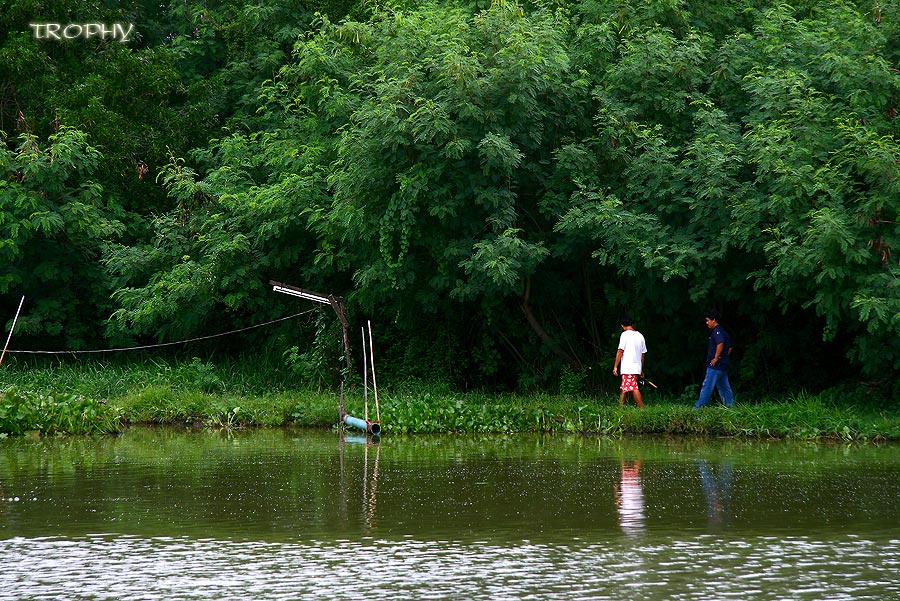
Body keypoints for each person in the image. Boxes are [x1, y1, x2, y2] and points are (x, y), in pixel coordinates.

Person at [693, 310, 734, 408]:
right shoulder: (724, 332)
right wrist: (724, 357)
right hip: (723, 364)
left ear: (713, 320)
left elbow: (720, 343)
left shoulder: (717, 331)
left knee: (707, 386)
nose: (706, 323)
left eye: (707, 320)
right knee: (724, 387)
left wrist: (716, 358)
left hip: (715, 365)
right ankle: (730, 407)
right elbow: (730, 347)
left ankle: (698, 407)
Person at [612, 317, 646, 408]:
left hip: (628, 368)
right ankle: (620, 408)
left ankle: (642, 409)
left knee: (634, 388)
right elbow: (643, 355)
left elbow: (620, 351)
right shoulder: (640, 336)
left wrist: (615, 366)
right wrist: (640, 369)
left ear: (622, 326)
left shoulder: (625, 335)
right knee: (625, 387)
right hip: (636, 367)